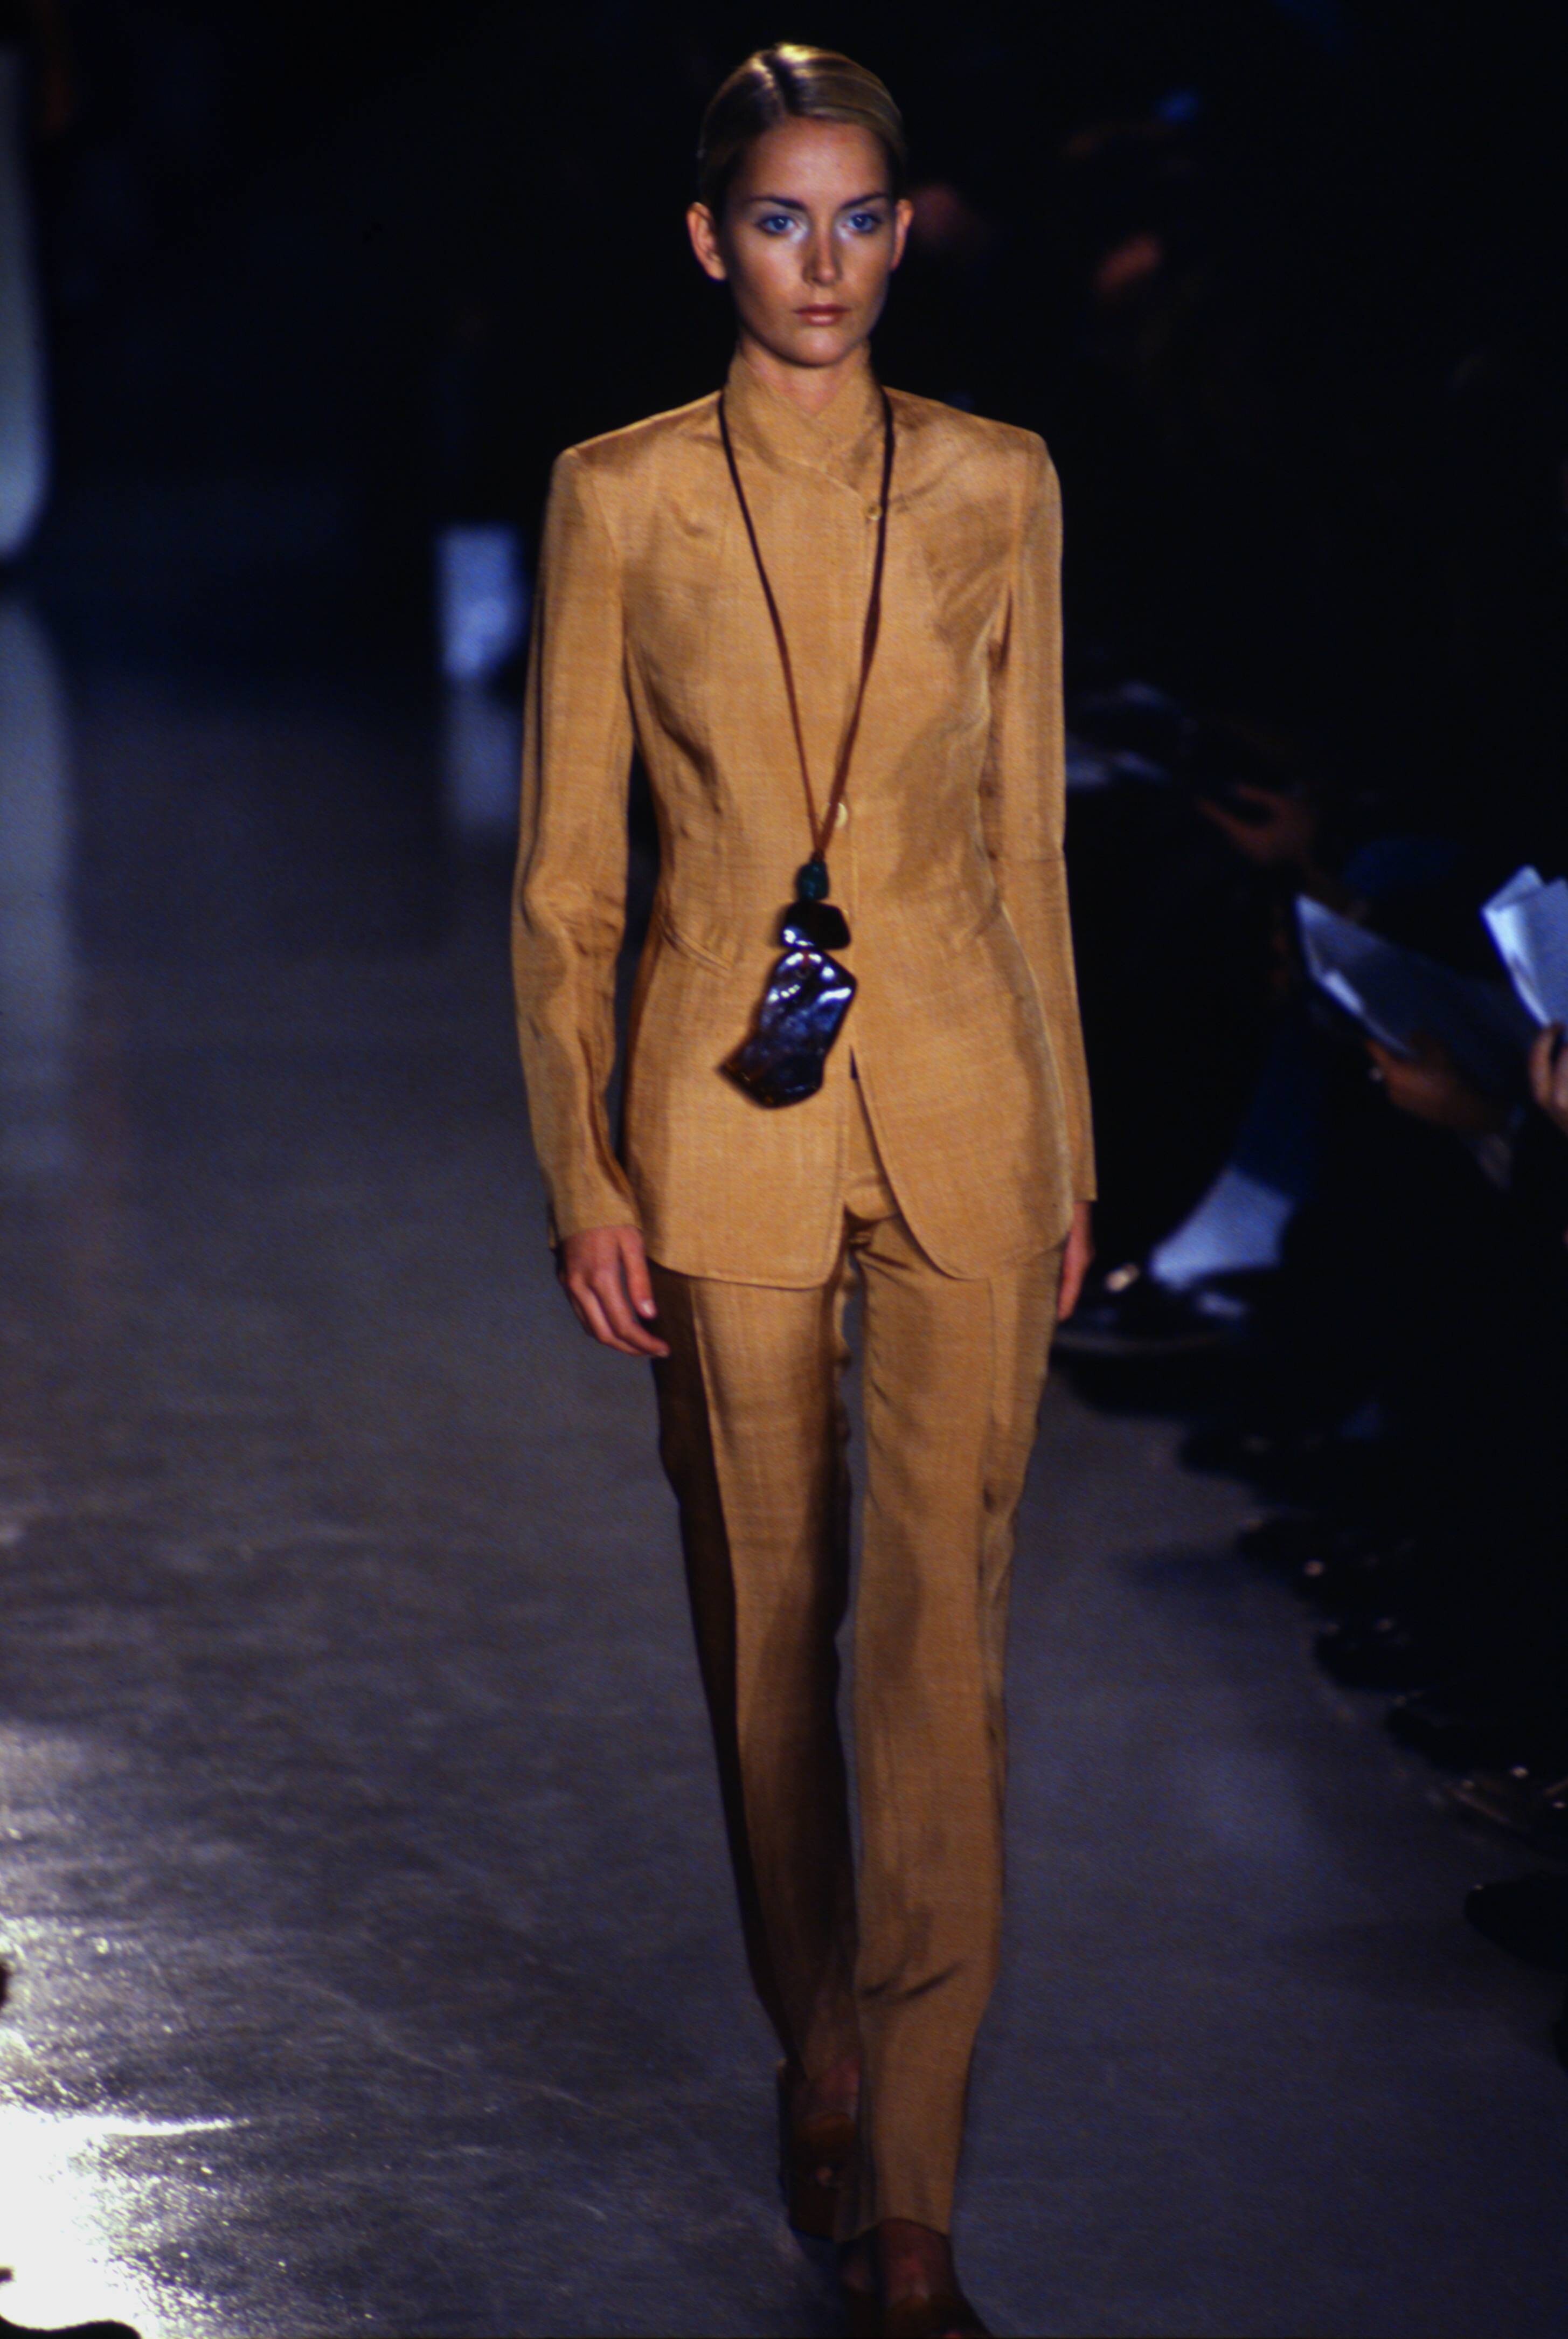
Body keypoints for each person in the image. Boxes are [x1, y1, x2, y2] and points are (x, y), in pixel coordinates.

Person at [512, 46, 1094, 2338]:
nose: (823, 263)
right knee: (770, 1631)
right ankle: (821, 2032)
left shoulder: (1000, 480)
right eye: (779, 218)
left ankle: (915, 2191)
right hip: (716, 1119)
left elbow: (1027, 844)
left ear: (903, 229)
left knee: (939, 1646)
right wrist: (580, 1161)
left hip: (966, 1106)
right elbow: (570, 879)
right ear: (708, 239)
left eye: (860, 218)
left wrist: (1071, 1140)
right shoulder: (620, 495)